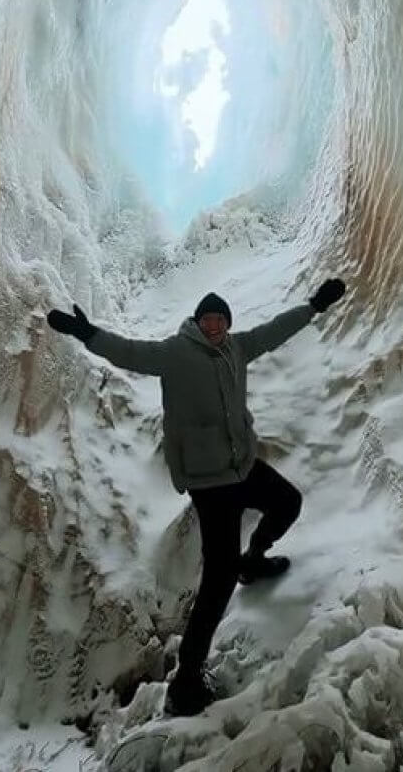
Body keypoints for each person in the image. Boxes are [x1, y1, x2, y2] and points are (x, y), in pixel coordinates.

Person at [46, 278, 346, 716]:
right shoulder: (175, 353)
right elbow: (130, 352)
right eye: (208, 318)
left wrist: (315, 305)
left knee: (287, 502)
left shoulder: (237, 348)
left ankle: (254, 559)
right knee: (217, 580)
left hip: (242, 466)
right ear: (197, 321)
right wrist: (86, 334)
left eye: (221, 318)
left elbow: (275, 331)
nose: (215, 325)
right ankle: (187, 678)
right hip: (210, 485)